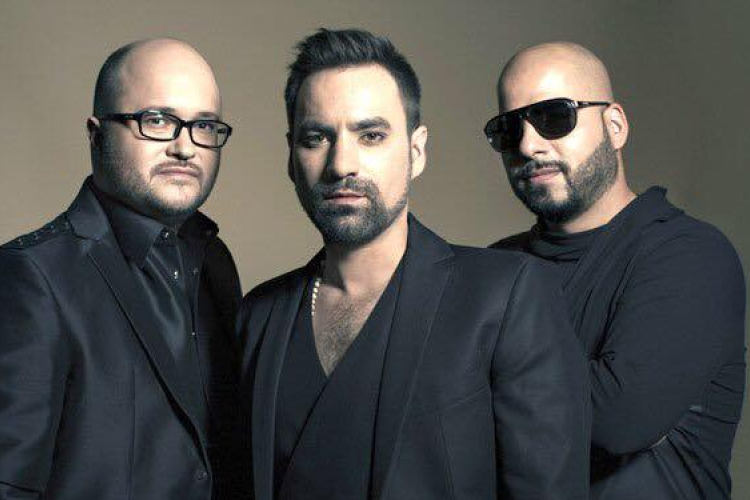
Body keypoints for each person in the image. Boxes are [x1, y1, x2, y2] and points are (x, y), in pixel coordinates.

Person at [238, 28, 589, 500]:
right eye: (316, 138)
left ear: (416, 151)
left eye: (371, 135)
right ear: (291, 158)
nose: (342, 164)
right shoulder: (257, 316)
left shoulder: (506, 296)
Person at [487, 42, 746, 500]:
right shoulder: (495, 267)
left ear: (615, 126)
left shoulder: (690, 254)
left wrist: (475, 386)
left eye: (554, 117)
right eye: (509, 129)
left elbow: (615, 420)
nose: (528, 145)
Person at [0, 39, 244, 500]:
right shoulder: (30, 277)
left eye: (203, 126)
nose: (185, 147)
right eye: (158, 120)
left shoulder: (215, 261)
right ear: (97, 134)